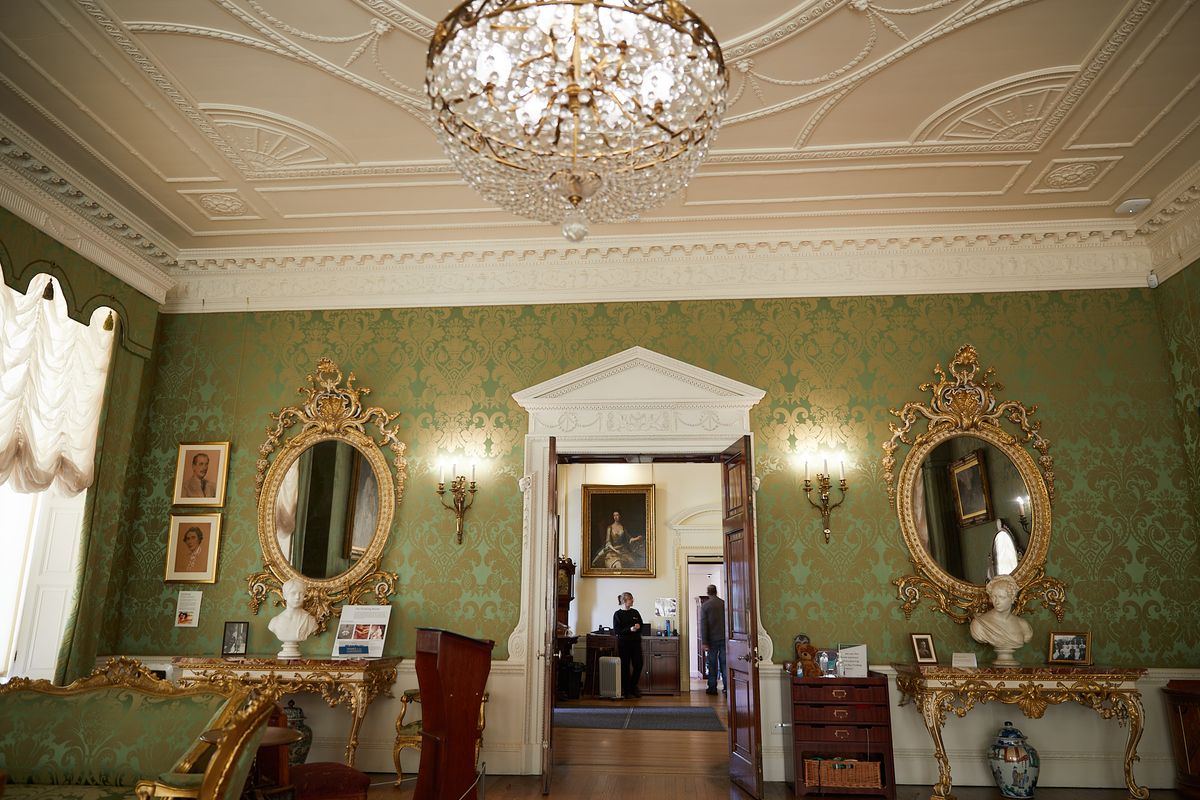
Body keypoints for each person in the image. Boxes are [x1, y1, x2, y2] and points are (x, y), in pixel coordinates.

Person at [969, 574, 1032, 665]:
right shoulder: (979, 625)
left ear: (1012, 599)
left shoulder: (1023, 625)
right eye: (994, 597)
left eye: (1002, 597)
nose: (996, 602)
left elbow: (1027, 637)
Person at [269, 577, 319, 657]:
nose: (297, 597)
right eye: (293, 593)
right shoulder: (274, 622)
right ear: (285, 596)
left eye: (301, 593)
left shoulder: (310, 620)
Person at [613, 591, 644, 698]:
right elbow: (617, 630)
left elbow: (642, 625)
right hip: (624, 644)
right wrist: (630, 629)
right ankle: (626, 690)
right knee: (624, 667)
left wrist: (638, 627)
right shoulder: (618, 614)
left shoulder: (635, 612)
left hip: (636, 643)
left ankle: (633, 686)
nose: (633, 600)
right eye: (631, 599)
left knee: (639, 664)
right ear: (625, 601)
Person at [700, 584, 726, 695]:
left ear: (708, 593)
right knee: (724, 663)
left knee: (712, 664)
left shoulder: (705, 606)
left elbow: (704, 625)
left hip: (711, 640)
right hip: (724, 638)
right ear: (716, 592)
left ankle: (712, 687)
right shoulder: (724, 604)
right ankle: (727, 687)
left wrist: (704, 642)